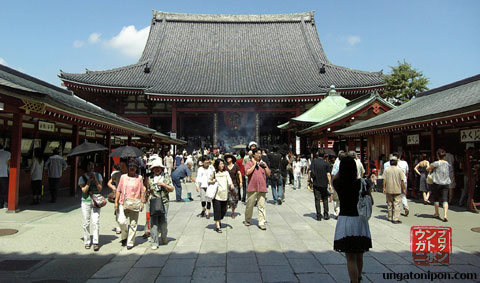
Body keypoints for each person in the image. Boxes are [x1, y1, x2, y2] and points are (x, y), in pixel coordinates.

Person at [333, 156, 372, 283]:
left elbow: (334, 178)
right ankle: (359, 277)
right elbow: (371, 199)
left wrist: (341, 170)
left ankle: (353, 281)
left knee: (350, 257)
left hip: (346, 220)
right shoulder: (363, 183)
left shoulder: (339, 184)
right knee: (359, 253)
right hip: (360, 220)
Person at [115, 159, 146, 249]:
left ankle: (130, 242)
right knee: (121, 221)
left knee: (133, 223)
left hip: (135, 202)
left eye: (134, 168)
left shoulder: (139, 178)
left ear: (136, 169)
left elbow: (142, 191)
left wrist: (142, 202)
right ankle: (124, 236)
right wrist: (116, 202)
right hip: (123, 202)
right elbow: (118, 190)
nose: (132, 169)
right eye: (130, 167)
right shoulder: (123, 177)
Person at [146, 159, 174, 249]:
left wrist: (164, 185)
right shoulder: (149, 178)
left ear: (161, 168)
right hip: (153, 201)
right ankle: (154, 242)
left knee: (163, 222)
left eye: (158, 168)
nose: (157, 170)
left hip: (164, 201)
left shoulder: (166, 176)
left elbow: (171, 188)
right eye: (155, 168)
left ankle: (163, 235)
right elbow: (147, 189)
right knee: (153, 222)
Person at [78, 161, 103, 251]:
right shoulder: (82, 178)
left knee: (95, 221)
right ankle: (87, 241)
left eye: (92, 165)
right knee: (86, 222)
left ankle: (96, 242)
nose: (91, 167)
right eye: (89, 165)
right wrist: (88, 181)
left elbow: (100, 189)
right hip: (86, 201)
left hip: (96, 201)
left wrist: (95, 179)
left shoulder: (98, 175)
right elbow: (84, 191)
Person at [244, 148, 271, 230]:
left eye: (260, 153)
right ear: (254, 154)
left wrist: (265, 166)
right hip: (252, 187)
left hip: (262, 187)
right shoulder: (249, 163)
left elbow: (269, 174)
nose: (259, 155)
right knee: (250, 205)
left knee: (261, 206)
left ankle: (261, 222)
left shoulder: (263, 163)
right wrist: (254, 165)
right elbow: (247, 172)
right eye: (258, 153)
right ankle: (248, 220)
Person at [427, 148, 451, 222]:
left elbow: (428, 169)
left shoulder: (436, 163)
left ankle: (437, 213)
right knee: (445, 199)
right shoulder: (447, 163)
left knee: (436, 199)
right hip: (446, 183)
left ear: (437, 155)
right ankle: (445, 215)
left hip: (437, 182)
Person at [211, 159, 234, 233]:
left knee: (223, 210)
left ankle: (219, 219)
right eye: (220, 164)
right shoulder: (214, 173)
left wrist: (231, 184)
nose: (222, 165)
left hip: (224, 194)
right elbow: (208, 180)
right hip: (216, 195)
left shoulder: (226, 172)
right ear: (217, 165)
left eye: (223, 164)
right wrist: (212, 181)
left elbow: (229, 180)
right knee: (217, 210)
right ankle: (218, 226)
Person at [309, 150, 332, 221]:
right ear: (324, 155)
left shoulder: (314, 162)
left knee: (317, 199)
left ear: (318, 154)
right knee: (325, 199)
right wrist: (330, 184)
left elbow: (310, 171)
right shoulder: (326, 163)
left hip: (316, 183)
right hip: (324, 183)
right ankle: (326, 214)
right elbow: (328, 174)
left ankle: (318, 215)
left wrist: (309, 180)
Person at [382, 156, 405, 224]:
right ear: (396, 162)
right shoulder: (399, 170)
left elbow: (384, 179)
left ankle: (390, 217)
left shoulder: (386, 169)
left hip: (389, 189)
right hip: (397, 189)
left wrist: (384, 187)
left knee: (389, 204)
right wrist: (403, 189)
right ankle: (395, 218)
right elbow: (402, 180)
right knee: (396, 204)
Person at [108, 160, 128, 234]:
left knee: (126, 211)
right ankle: (119, 226)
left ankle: (124, 225)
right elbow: (109, 183)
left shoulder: (129, 174)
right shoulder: (116, 174)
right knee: (117, 211)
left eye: (123, 166)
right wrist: (113, 187)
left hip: (127, 195)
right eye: (121, 165)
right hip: (118, 194)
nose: (121, 167)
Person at [0, 143, 10, 209]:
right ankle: (5, 204)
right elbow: (9, 164)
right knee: (5, 190)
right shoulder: (8, 153)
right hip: (4, 174)